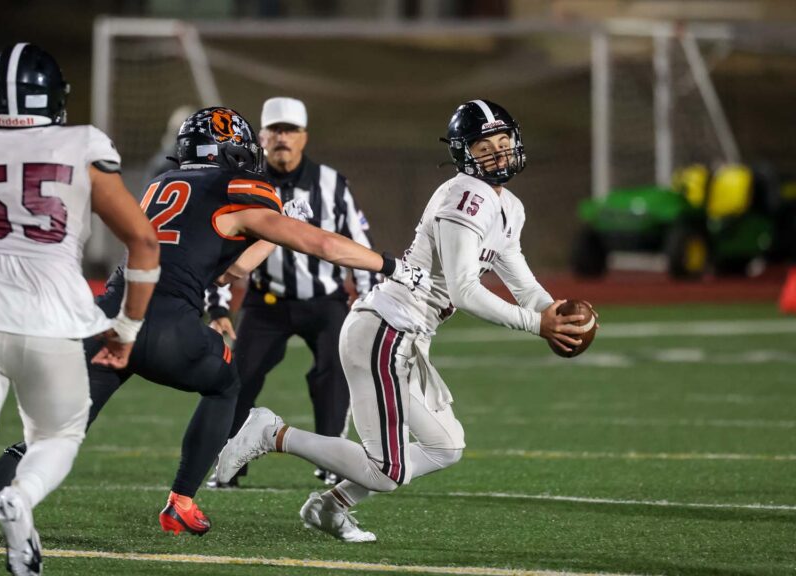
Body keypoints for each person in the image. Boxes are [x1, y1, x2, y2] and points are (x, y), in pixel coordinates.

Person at [0, 105, 428, 541]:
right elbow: (322, 246)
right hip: (165, 322)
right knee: (226, 382)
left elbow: (231, 267)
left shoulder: (162, 183)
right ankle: (181, 501)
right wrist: (388, 264)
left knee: (49, 438)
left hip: (104, 318)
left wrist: (273, 232)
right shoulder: (237, 189)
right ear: (231, 150)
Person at [215, 99, 590, 543]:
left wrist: (556, 311)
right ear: (464, 152)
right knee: (387, 469)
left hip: (405, 337)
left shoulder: (509, 206)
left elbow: (524, 284)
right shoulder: (465, 196)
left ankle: (330, 507)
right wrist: (536, 325)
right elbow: (466, 290)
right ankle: (272, 433)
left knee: (445, 446)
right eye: (484, 145)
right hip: (385, 331)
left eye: (503, 140)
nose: (497, 152)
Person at [0, 43, 159, 576]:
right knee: (57, 437)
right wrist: (125, 327)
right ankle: (22, 497)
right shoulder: (81, 144)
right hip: (52, 317)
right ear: (54, 97)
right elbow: (145, 242)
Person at [205, 97, 376, 489]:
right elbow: (220, 248)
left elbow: (358, 242)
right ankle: (230, 461)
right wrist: (217, 308)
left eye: (291, 130)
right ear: (262, 135)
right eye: (276, 130)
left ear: (303, 137)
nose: (283, 137)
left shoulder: (331, 183)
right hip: (266, 302)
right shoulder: (244, 183)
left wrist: (367, 302)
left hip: (326, 301)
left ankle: (334, 460)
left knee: (335, 375)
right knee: (238, 377)